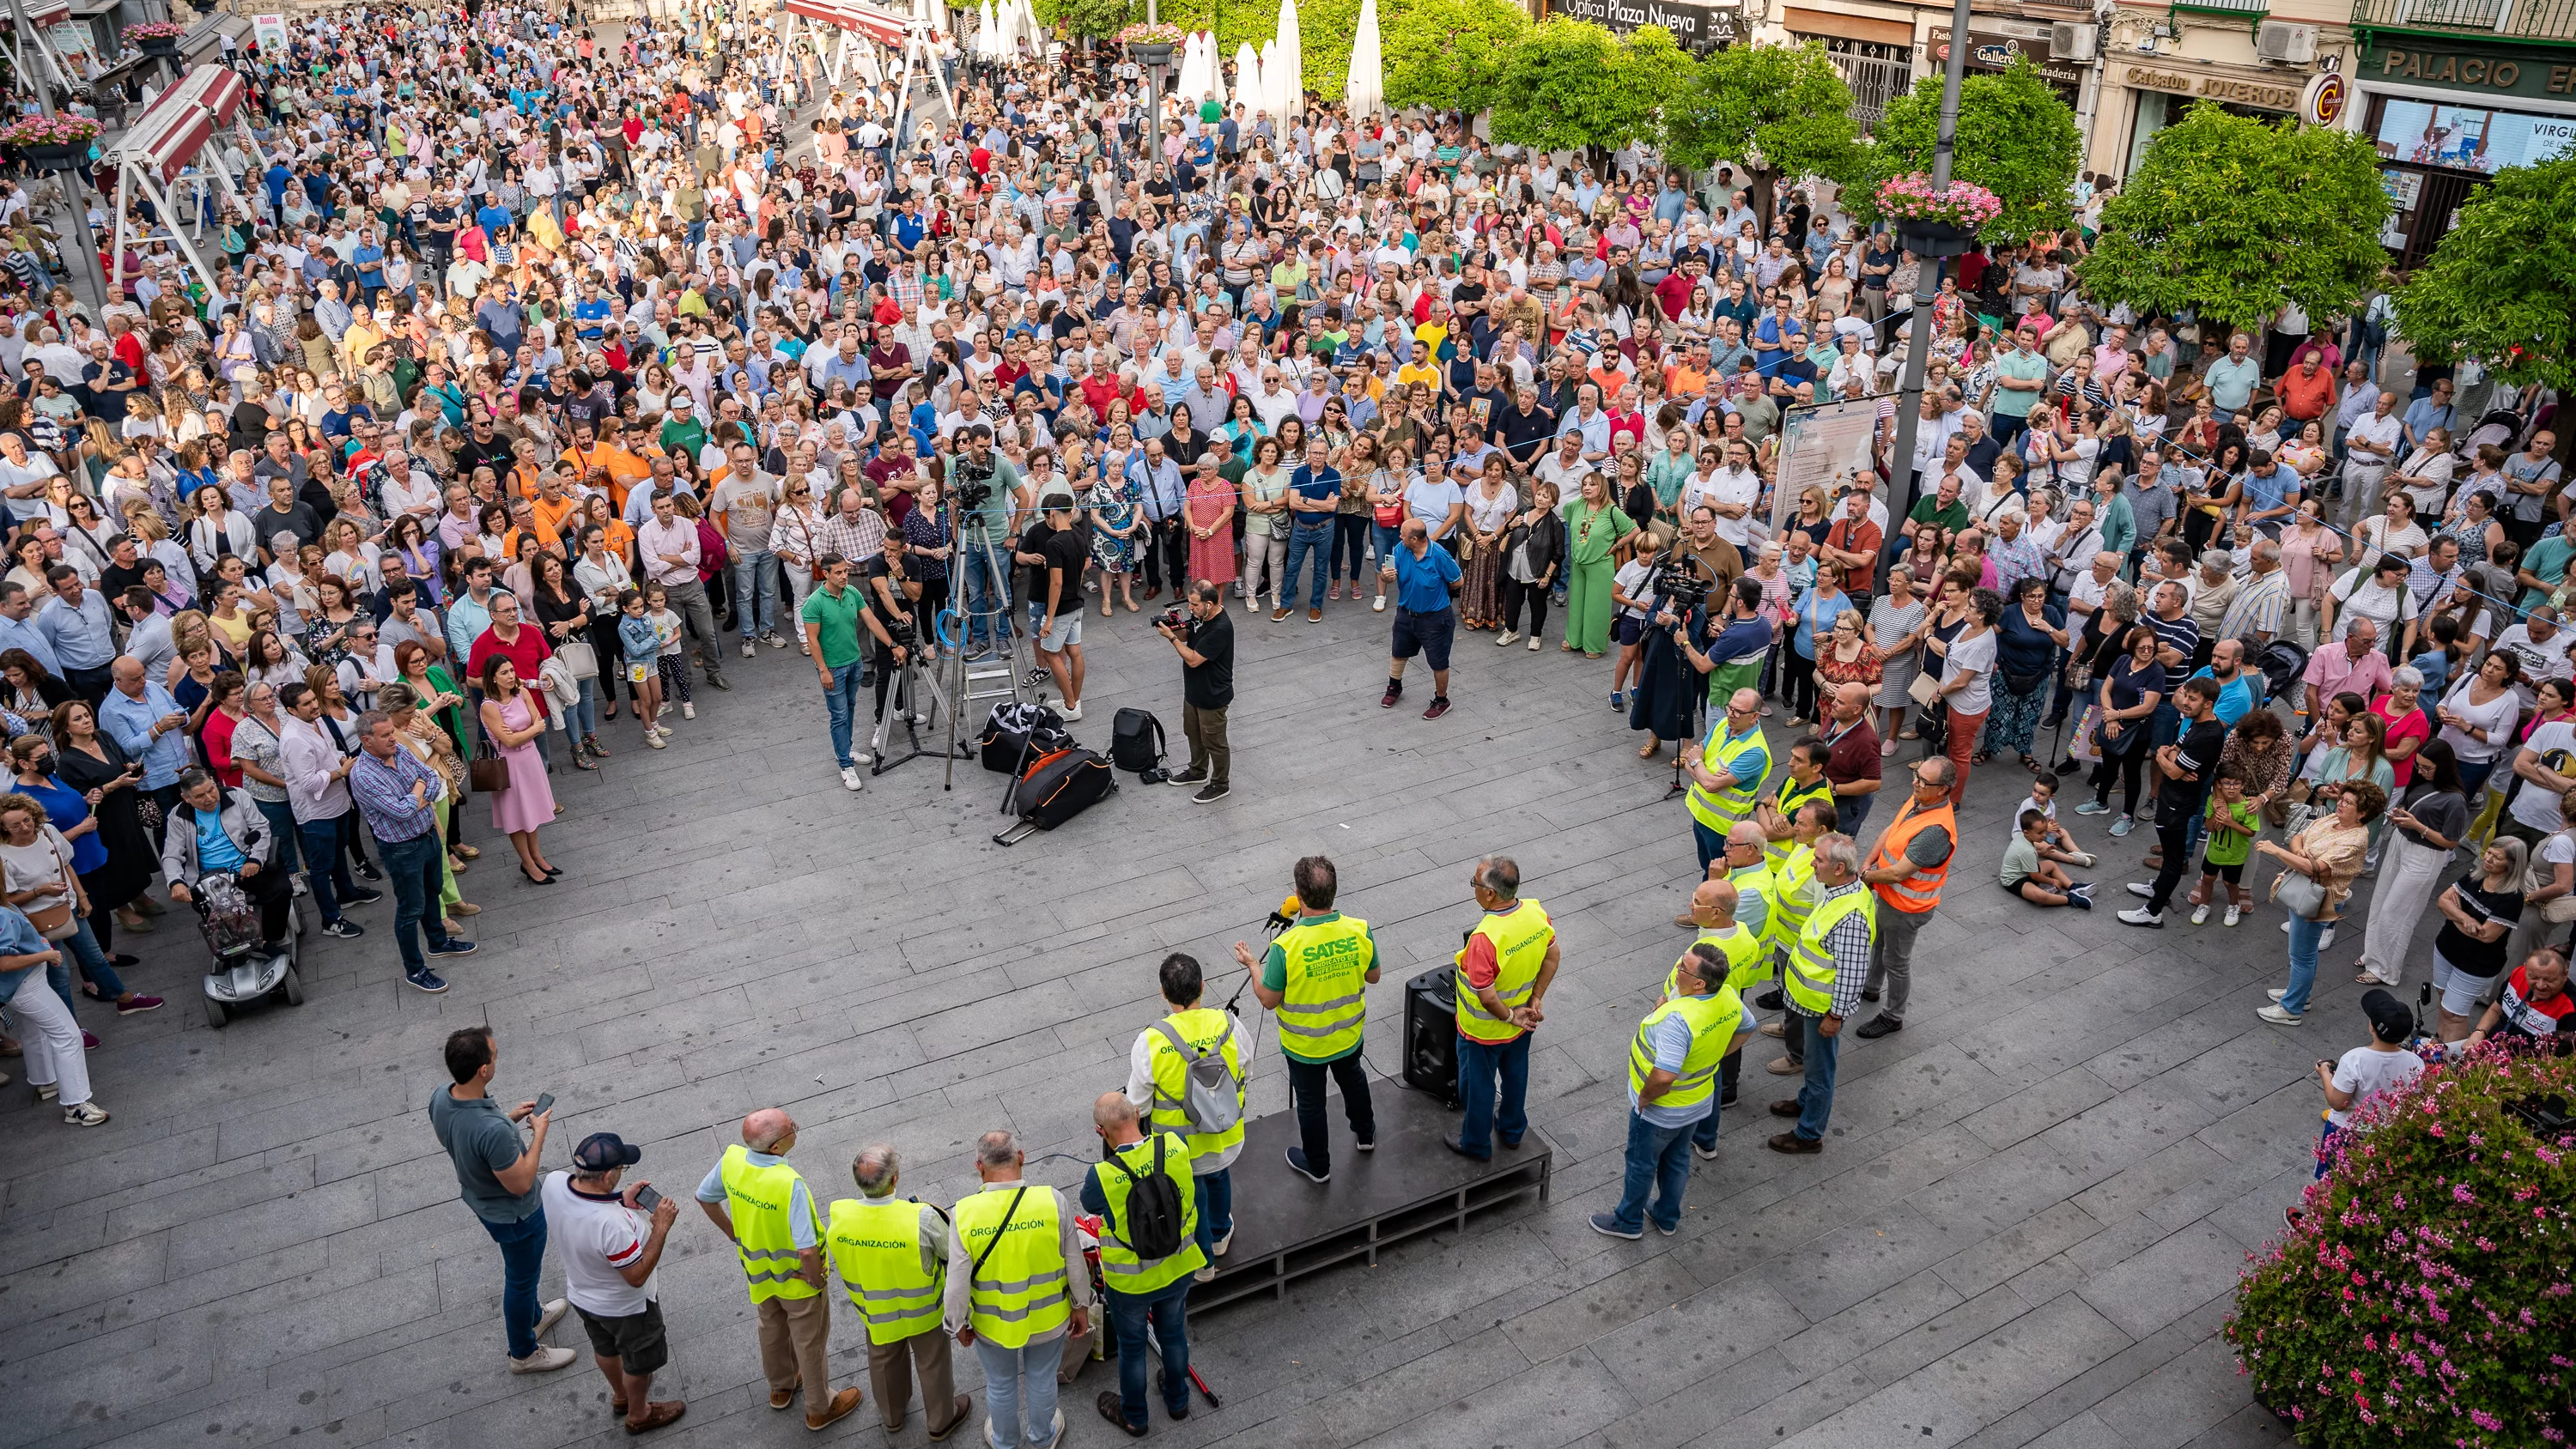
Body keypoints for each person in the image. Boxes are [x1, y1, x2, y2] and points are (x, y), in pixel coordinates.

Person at [696, 1109, 864, 1432]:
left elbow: (704, 1197)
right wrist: (816, 1279)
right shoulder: (790, 1184)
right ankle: (820, 1407)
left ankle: (781, 1387)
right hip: (796, 1280)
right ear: (776, 1147)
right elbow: (806, 1248)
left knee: (770, 1327)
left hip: (758, 1271)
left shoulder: (732, 1160)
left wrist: (733, 1233)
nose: (796, 1130)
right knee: (809, 1342)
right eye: (792, 1128)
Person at [428, 1027, 574, 1374]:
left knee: (524, 1276)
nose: (497, 1058)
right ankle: (523, 1352)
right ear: (483, 1070)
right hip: (516, 1217)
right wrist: (538, 1133)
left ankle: (535, 1317)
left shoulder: (441, 1097)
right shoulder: (491, 1131)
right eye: (494, 1055)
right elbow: (522, 1183)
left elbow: (465, 1137)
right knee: (522, 1279)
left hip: (481, 1199)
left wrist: (508, 1120)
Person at [1589, 938, 1753, 1239]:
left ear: (1700, 983)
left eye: (1684, 968)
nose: (1678, 968)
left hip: (1662, 1109)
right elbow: (1748, 1025)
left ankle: (1627, 1222)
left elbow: (1664, 1076)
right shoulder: (1727, 995)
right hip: (1697, 1100)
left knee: (1641, 1164)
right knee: (1677, 1159)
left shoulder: (1679, 1021)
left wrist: (1644, 1098)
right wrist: (1716, 1055)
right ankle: (1666, 1217)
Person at [1235, 855, 1376, 1184]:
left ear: (1298, 897)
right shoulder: (1359, 929)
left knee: (1311, 1103)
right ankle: (1366, 1134)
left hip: (1305, 1047)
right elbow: (1374, 976)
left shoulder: (1286, 946)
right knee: (1353, 1080)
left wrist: (1254, 965)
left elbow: (1268, 1000)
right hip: (1348, 1035)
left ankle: (1318, 1165)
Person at [948, 1130, 1092, 1449]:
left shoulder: (964, 1214)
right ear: (1021, 1157)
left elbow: (956, 1282)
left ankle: (1005, 1441)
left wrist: (957, 1324)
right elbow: (1075, 1263)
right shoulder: (1052, 1201)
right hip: (1048, 1318)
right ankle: (1042, 1437)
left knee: (1000, 1384)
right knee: (1042, 1379)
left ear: (979, 1167)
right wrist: (1081, 1306)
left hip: (992, 1324)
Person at [544, 1131, 687, 1434]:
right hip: (627, 1309)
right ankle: (639, 1413)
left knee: (605, 1349)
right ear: (608, 1174)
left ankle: (621, 1397)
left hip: (583, 1296)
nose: (622, 1175)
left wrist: (620, 1198)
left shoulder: (555, 1183)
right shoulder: (611, 1225)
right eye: (621, 1170)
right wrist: (660, 1227)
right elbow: (636, 1276)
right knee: (639, 1362)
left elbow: (582, 1202)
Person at [1079, 1092, 1205, 1438]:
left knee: (1133, 1349)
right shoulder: (1175, 1147)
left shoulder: (1101, 1176)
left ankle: (1135, 1415)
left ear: (1099, 1132)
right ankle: (1178, 1401)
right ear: (1138, 1113)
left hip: (1130, 1284)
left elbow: (1091, 1204)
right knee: (1174, 1335)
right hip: (1179, 1266)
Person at [824, 1145, 971, 1440]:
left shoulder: (840, 1216)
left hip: (875, 1312)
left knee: (882, 1361)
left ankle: (892, 1416)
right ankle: (941, 1420)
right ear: (894, 1180)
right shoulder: (922, 1217)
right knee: (933, 1364)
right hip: (925, 1311)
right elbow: (952, 1255)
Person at [1126, 951, 1246, 1272]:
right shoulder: (1230, 1025)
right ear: (1203, 987)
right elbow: (1245, 1067)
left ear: (1164, 993)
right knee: (1219, 1177)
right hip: (1225, 1136)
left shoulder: (1150, 1041)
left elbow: (1137, 1105)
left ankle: (1204, 1263)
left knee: (1191, 1197)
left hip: (1178, 1149)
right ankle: (1221, 1234)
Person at [349, 710, 477, 989]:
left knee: (432, 890)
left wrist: (416, 793)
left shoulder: (399, 751)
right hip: (401, 849)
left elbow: (431, 779)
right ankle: (415, 971)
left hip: (428, 835)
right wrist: (418, 791)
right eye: (385, 736)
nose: (393, 739)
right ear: (366, 741)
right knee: (410, 910)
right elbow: (402, 810)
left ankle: (438, 941)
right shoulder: (363, 775)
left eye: (392, 732)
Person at [1770, 834, 1874, 1155]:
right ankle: (1805, 1103)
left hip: (1822, 1009)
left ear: (1839, 867)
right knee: (1815, 1068)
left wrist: (1835, 1016)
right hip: (1809, 1001)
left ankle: (1809, 1133)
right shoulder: (1838, 890)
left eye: (1818, 860)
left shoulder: (1851, 916)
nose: (1812, 863)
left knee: (1819, 1072)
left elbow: (1852, 973)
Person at [1449, 855, 1559, 1161]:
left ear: (1489, 894)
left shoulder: (1485, 939)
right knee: (1516, 1075)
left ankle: (1475, 1143)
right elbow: (1552, 956)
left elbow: (1486, 996)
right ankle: (1512, 1132)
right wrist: (1535, 998)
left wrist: (1510, 1017)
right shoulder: (1537, 914)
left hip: (1484, 1030)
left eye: (1474, 883)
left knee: (1479, 1088)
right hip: (1525, 1021)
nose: (1473, 888)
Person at [2256, 780, 2385, 1025]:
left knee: (2301, 955)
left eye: (2348, 803)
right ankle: (2300, 995)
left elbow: (2318, 870)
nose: (2340, 804)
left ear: (2363, 813)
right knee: (2305, 953)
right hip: (2308, 891)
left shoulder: (2355, 839)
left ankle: (2291, 1009)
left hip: (2319, 899)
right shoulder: (2333, 820)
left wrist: (2278, 851)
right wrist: (2298, 851)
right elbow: (2299, 836)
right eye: (2342, 799)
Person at [1855, 757, 1955, 1037]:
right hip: (1890, 897)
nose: (1915, 782)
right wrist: (1868, 861)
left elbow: (1900, 873)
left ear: (1942, 790)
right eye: (1917, 775)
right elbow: (1892, 830)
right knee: (1880, 942)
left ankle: (1893, 1016)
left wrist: (1865, 877)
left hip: (1907, 907)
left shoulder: (1936, 831)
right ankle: (1871, 988)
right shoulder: (1920, 801)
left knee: (1897, 962)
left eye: (1923, 781)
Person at [2117, 676, 2227, 928]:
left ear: (2208, 704)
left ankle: (2153, 911)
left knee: (2174, 860)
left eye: (2192, 699)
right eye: (2186, 696)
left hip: (2180, 802)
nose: (2185, 702)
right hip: (2171, 797)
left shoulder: (2208, 734)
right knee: (2168, 852)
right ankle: (2158, 888)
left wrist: (2166, 761)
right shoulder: (2196, 722)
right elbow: (2170, 750)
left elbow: (2173, 768)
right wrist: (2169, 759)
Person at [2358, 739, 2471, 985]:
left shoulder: (2455, 801)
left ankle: (2385, 969)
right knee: (2380, 901)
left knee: (2397, 911)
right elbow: (2411, 807)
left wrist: (2418, 826)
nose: (2420, 772)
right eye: (2419, 766)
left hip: (2424, 854)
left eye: (2426, 768)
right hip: (2401, 842)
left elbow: (2450, 841)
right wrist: (2400, 815)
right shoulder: (2422, 782)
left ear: (2442, 767)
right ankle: (2372, 955)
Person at [801, 550, 908, 791]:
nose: (844, 576)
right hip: (833, 669)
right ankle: (845, 764)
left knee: (849, 708)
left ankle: (846, 749)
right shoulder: (814, 603)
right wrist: (823, 671)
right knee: (839, 715)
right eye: (838, 572)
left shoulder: (852, 593)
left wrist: (892, 645)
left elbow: (871, 622)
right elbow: (813, 640)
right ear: (825, 574)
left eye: (845, 571)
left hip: (854, 663)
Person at [0, 899, 105, 1125]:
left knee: (34, 1029)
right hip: (26, 985)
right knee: (67, 1036)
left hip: (19, 986)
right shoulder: (1, 913)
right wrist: (47, 955)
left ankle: (46, 1081)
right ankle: (76, 1105)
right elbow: (5, 962)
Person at [2312, 989, 2427, 1181]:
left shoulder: (2354, 1059)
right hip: (2386, 1133)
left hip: (2346, 1130)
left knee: (2329, 1179)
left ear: (2371, 1027)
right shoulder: (2415, 1062)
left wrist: (2324, 1072)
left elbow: (2338, 1102)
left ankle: (2314, 1211)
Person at [2429, 839, 2525, 1041]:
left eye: (2496, 857)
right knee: (2443, 999)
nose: (2488, 859)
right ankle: (2438, 1044)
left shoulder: (2512, 897)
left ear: (2511, 864)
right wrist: (2465, 918)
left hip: (2475, 965)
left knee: (2454, 1014)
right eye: (2488, 852)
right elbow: (2442, 900)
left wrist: (2453, 914)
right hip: (2447, 948)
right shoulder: (2475, 876)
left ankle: (2451, 1060)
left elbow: (2487, 935)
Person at [1379, 517, 1463, 719]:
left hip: (1435, 619)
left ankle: (1442, 700)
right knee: (1398, 652)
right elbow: (1387, 572)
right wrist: (1385, 576)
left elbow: (1458, 581)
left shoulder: (1440, 556)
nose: (1399, 536)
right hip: (1406, 614)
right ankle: (1394, 686)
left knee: (1438, 662)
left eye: (1403, 534)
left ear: (1415, 539)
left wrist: (1437, 595)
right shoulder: (1401, 548)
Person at [1156, 579, 1232, 803]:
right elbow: (1186, 637)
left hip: (1213, 695)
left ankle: (1220, 784)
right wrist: (1172, 626)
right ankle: (1197, 771)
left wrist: (1170, 638)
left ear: (1209, 604)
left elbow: (1194, 660)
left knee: (1215, 742)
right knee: (1193, 734)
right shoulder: (1201, 618)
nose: (1190, 608)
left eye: (1194, 605)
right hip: (1194, 692)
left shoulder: (1220, 628)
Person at [1682, 688, 1770, 874]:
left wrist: (1698, 763)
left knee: (1719, 873)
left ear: (1754, 716)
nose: (1731, 714)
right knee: (1706, 865)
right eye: (1730, 708)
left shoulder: (1754, 752)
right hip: (1700, 815)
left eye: (1738, 712)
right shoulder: (1723, 724)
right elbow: (1690, 760)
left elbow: (1709, 784)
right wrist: (1699, 766)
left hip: (1723, 828)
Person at [2461, 946, 2573, 1048]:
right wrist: (2479, 1032)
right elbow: (2496, 1010)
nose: (2540, 985)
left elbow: (2561, 1057)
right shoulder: (2518, 974)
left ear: (2565, 975)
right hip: (2491, 1043)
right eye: (2533, 977)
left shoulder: (2571, 1009)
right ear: (2526, 969)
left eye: (2549, 980)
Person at [2002, 808, 2093, 909]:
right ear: (2027, 833)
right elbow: (2035, 876)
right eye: (2040, 833)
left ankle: (2073, 886)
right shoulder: (2027, 850)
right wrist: (2051, 881)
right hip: (2014, 881)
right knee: (2040, 896)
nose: (2044, 835)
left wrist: (2043, 852)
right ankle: (2070, 899)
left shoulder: (2023, 838)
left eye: (2044, 831)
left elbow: (2026, 858)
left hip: (2025, 871)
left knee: (2050, 864)